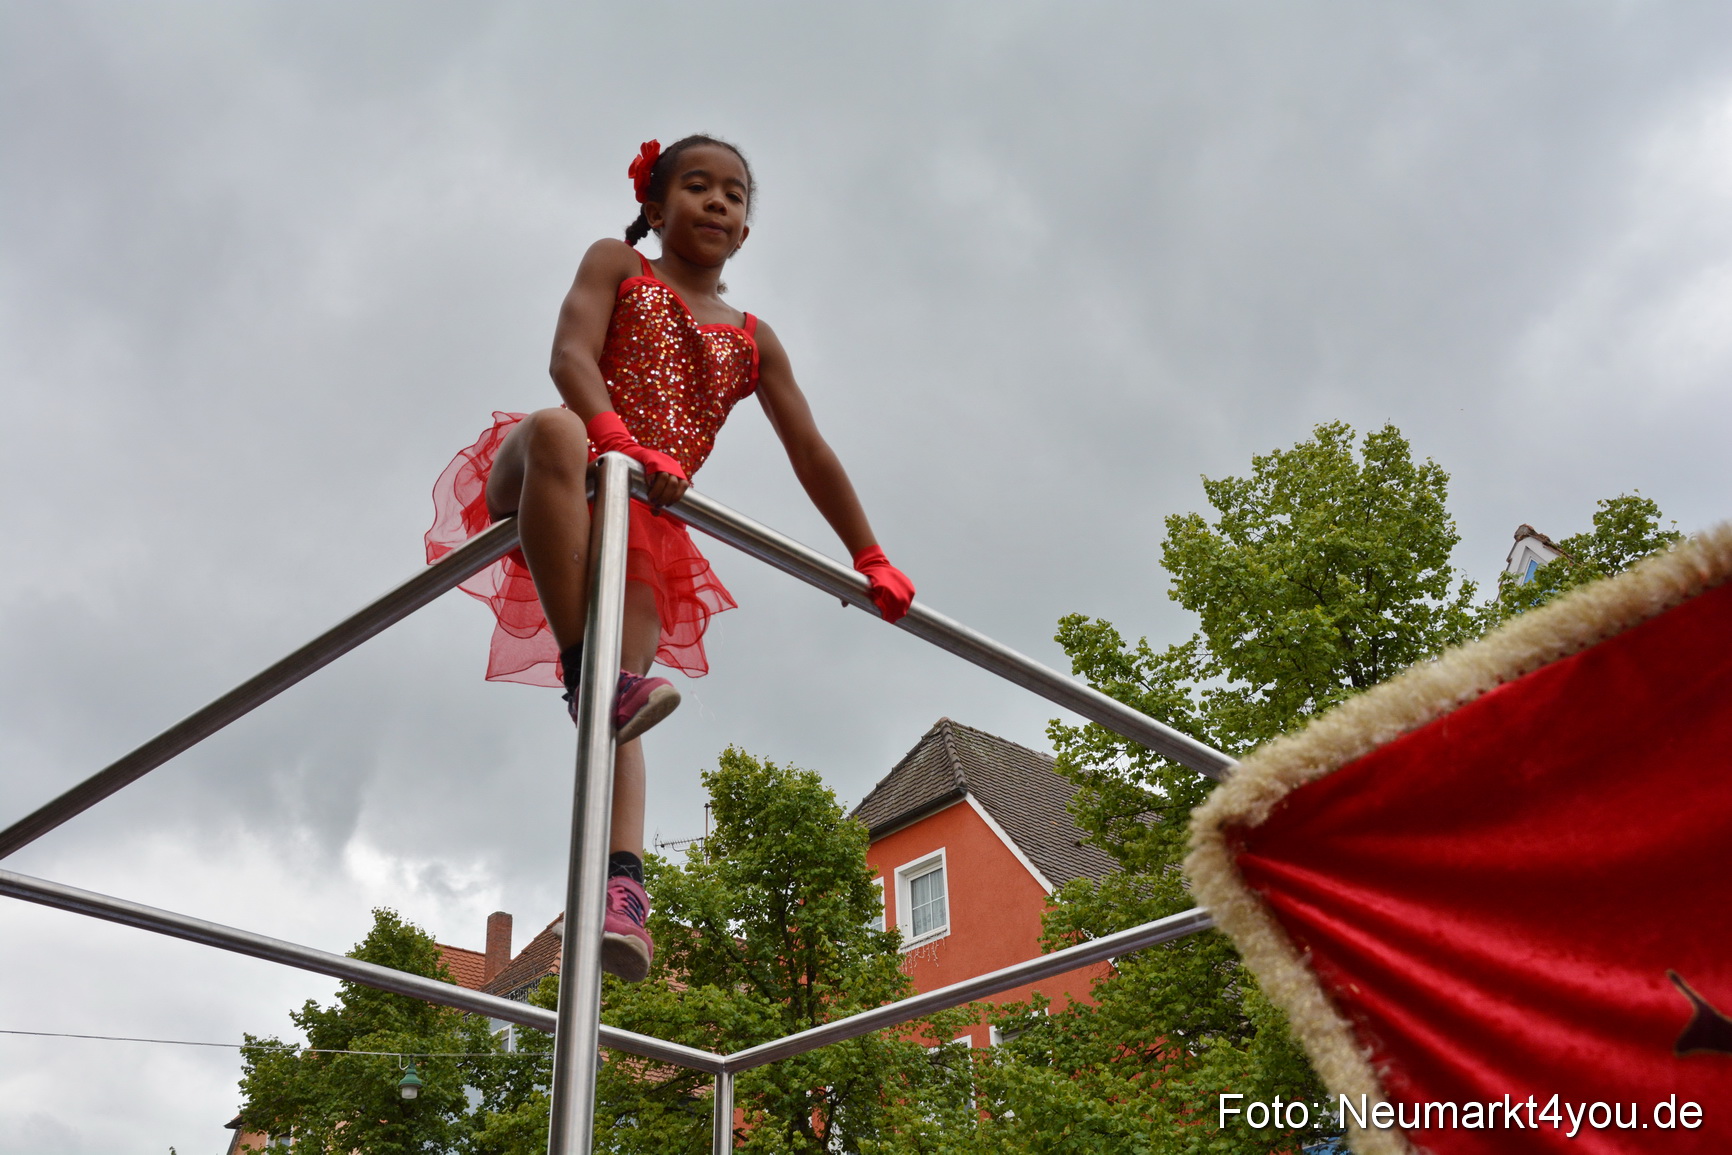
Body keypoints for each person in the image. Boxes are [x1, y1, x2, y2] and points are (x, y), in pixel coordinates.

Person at [425, 135, 916, 982]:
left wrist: (867, 553)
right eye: (697, 186)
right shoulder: (618, 263)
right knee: (556, 426)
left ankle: (624, 892)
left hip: (644, 513)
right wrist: (610, 434)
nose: (719, 202)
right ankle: (587, 669)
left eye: (736, 194)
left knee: (631, 701)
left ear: (747, 231)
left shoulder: (755, 338)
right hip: (558, 466)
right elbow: (569, 354)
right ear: (655, 207)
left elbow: (811, 451)